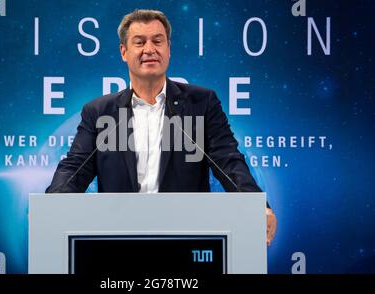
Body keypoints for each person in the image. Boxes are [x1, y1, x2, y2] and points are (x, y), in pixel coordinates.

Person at [46, 9, 277, 245]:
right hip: (118, 240)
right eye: (139, 42)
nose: (150, 49)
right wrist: (51, 207)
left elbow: (228, 161)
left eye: (157, 41)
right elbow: (75, 168)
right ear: (124, 52)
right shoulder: (98, 112)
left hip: (186, 240)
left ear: (168, 49)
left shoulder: (202, 103)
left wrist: (257, 206)